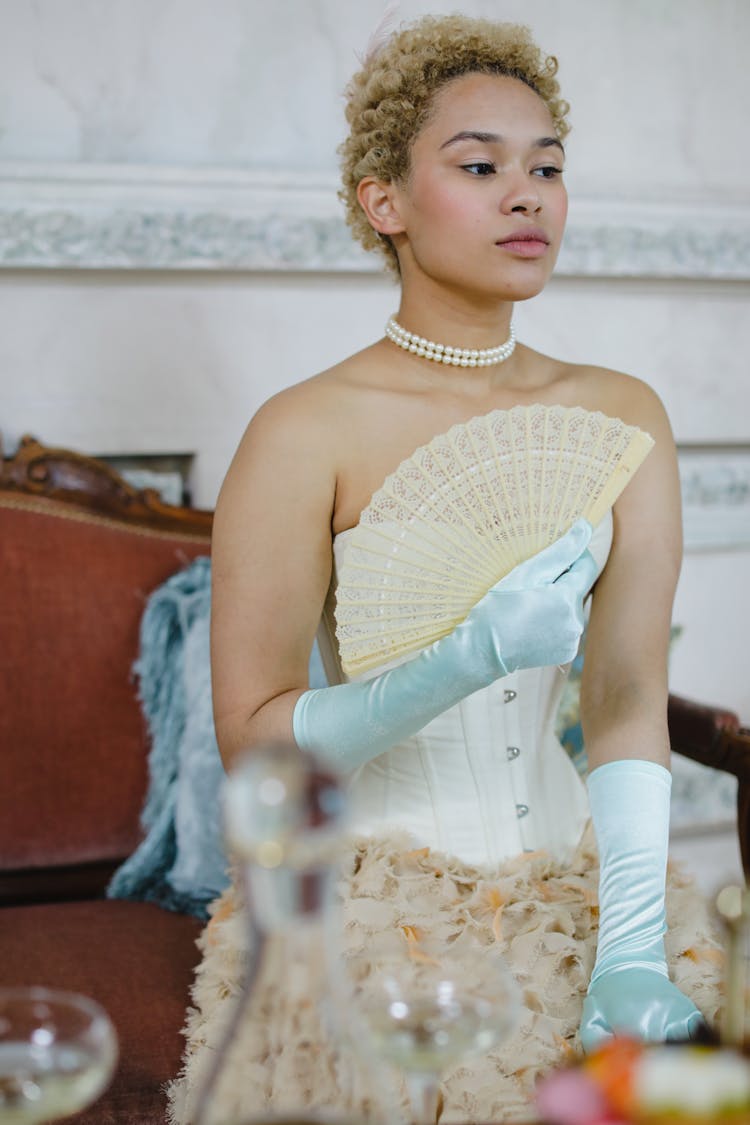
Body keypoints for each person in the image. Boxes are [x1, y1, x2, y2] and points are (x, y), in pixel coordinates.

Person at [168, 14, 722, 1124]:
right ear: (386, 203)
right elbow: (252, 743)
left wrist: (629, 948)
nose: (529, 196)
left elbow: (621, 700)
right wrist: (464, 659)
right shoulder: (302, 430)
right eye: (481, 166)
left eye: (548, 168)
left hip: (589, 886)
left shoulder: (623, 416)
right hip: (373, 897)